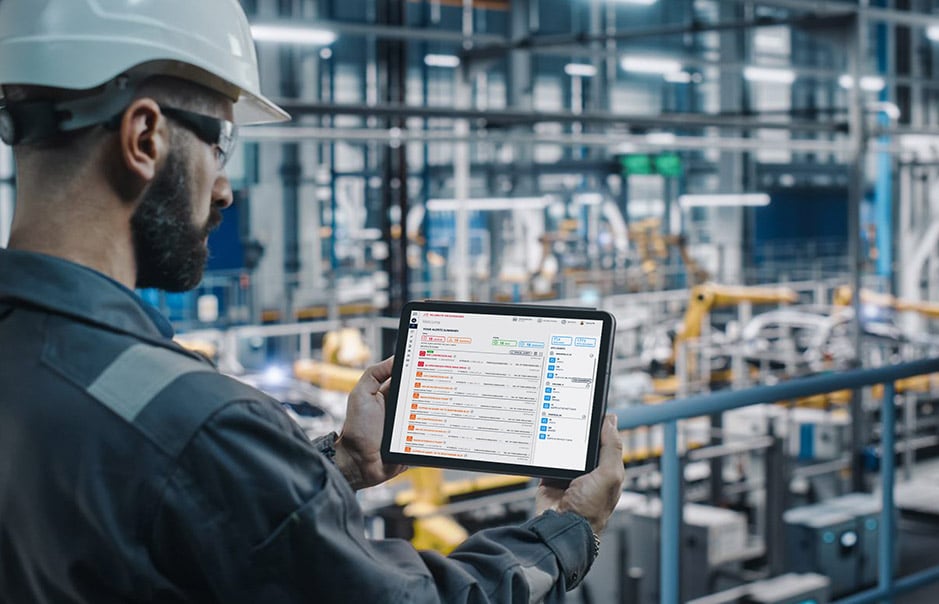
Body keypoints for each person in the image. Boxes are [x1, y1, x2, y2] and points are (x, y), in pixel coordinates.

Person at [0, 1, 626, 602]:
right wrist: (565, 530)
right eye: (219, 145)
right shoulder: (197, 424)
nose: (222, 191)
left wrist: (342, 462)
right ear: (144, 137)